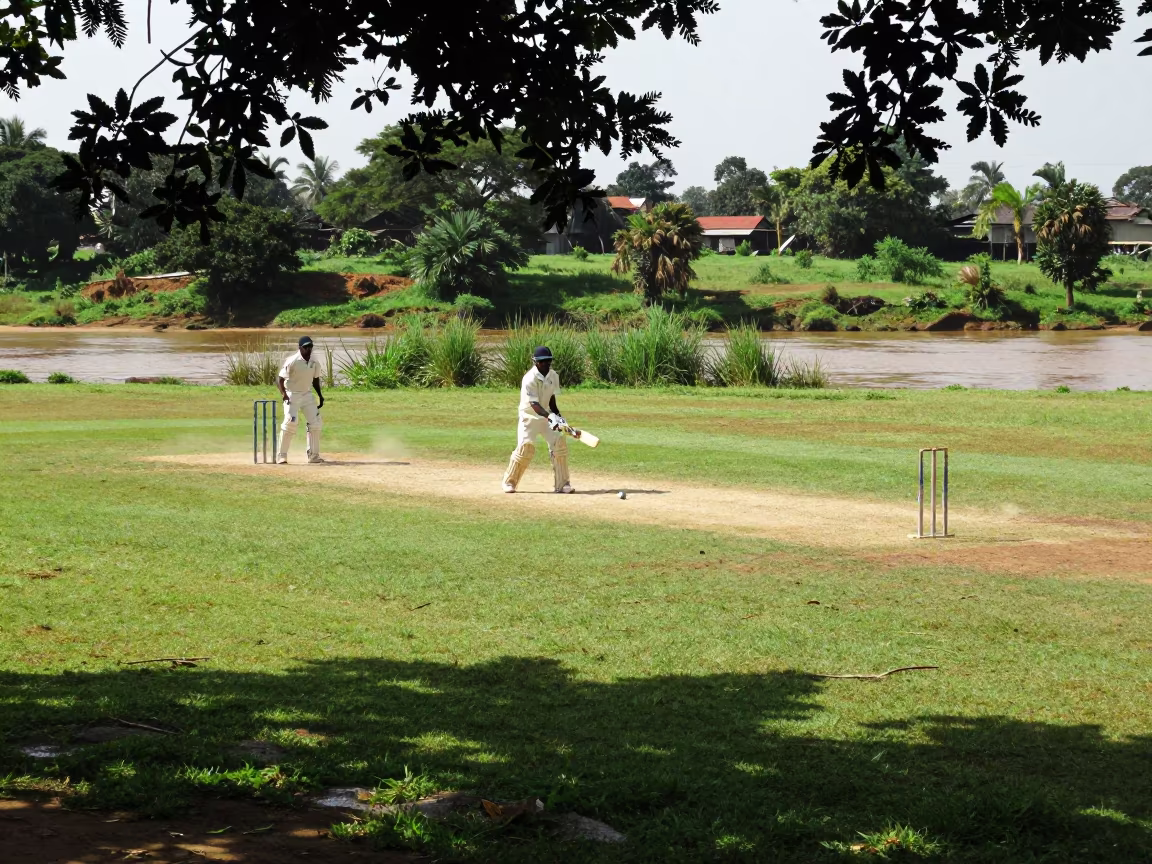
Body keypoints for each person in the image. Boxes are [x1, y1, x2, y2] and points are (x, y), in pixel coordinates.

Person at [502, 346, 579, 494]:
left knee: (559, 444)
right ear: (535, 362)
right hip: (529, 417)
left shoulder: (553, 376)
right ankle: (509, 482)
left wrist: (561, 420)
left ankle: (562, 484)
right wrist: (550, 416)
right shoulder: (529, 379)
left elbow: (551, 400)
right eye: (543, 362)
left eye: (548, 361)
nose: (546, 364)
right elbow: (534, 404)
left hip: (546, 416)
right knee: (526, 448)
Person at [275, 336, 325, 464]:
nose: (308, 349)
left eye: (310, 347)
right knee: (290, 422)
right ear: (300, 348)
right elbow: (280, 379)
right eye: (306, 347)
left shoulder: (314, 361)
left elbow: (315, 380)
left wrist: (320, 395)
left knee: (316, 423)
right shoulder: (292, 361)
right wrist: (284, 394)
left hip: (307, 394)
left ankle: (313, 456)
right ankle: (281, 455)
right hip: (292, 394)